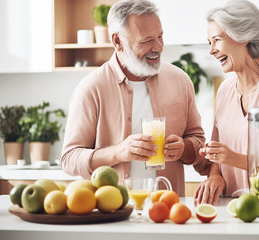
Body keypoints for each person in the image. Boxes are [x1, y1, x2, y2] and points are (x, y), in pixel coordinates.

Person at [60, 0, 205, 197]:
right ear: (117, 41)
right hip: (112, 214)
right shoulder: (91, 88)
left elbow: (198, 142)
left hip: (168, 212)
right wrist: (118, 152)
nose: (159, 47)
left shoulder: (180, 80)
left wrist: (184, 149)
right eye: (146, 41)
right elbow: (69, 158)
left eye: (160, 37)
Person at [193, 0, 259, 205]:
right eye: (209, 42)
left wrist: (233, 158)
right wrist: (215, 175)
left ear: (243, 36)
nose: (212, 50)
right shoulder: (225, 90)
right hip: (232, 208)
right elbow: (217, 150)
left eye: (217, 40)